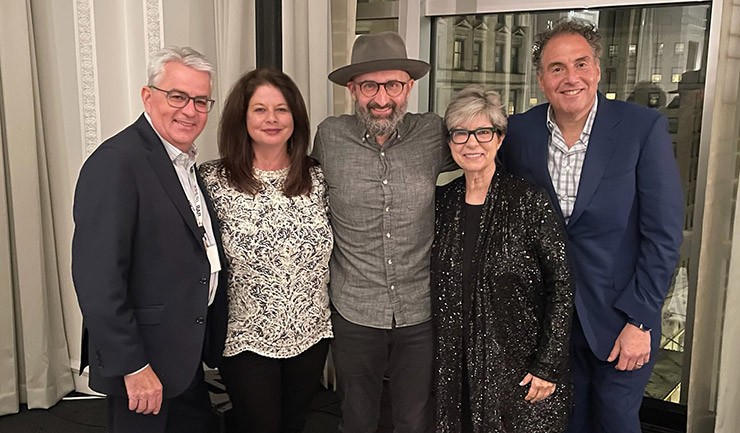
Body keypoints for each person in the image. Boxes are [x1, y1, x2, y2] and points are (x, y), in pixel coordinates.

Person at [499, 20, 684, 433]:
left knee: (616, 422)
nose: (571, 78)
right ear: (542, 79)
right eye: (557, 68)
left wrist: (641, 321)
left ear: (597, 70)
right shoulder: (521, 133)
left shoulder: (640, 129)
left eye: (580, 64)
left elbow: (663, 235)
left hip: (619, 320)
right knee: (564, 423)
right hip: (548, 322)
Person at [72, 46, 227, 433]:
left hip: (183, 356)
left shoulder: (183, 162)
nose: (189, 110)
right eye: (177, 96)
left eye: (201, 101)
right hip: (142, 365)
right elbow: (98, 280)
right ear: (147, 96)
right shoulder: (116, 162)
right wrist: (133, 366)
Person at [312, 31, 454, 432]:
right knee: (357, 417)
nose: (381, 98)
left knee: (413, 418)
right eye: (369, 86)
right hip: (354, 308)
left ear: (409, 87)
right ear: (352, 89)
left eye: (393, 84)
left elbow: (482, 146)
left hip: (419, 308)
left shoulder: (433, 133)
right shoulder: (329, 136)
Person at [432, 85, 574, 433]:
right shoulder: (441, 202)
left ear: (499, 138)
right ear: (450, 142)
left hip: (518, 370)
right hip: (455, 367)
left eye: (483, 132)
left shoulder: (528, 202)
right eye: (460, 133)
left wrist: (548, 364)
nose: (471, 143)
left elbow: (562, 285)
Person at [199, 68, 333, 433]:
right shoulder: (212, 181)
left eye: (282, 109)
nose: (272, 119)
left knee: (294, 423)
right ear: (242, 117)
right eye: (260, 109)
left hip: (311, 334)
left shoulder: (318, 177)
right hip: (245, 338)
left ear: (296, 117)